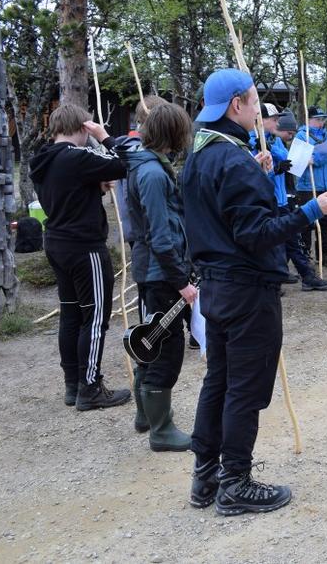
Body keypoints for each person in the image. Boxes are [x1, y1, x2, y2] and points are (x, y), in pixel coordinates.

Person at [180, 68, 327, 516]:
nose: (258, 110)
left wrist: (255, 172)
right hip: (247, 289)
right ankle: (234, 480)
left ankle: (206, 475)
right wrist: (311, 209)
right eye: (254, 102)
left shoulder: (202, 155)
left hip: (217, 285)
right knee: (244, 389)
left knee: (220, 381)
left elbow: (223, 214)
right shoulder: (230, 159)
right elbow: (256, 233)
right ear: (236, 105)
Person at [29, 103, 131, 410]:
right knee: (96, 316)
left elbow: (68, 196)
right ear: (82, 127)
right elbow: (123, 164)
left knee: (71, 314)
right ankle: (90, 387)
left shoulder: (42, 160)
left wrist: (96, 187)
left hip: (57, 242)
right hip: (84, 246)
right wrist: (104, 137)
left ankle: (73, 385)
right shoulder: (77, 156)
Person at [123, 101, 197, 452]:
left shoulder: (154, 165)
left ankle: (146, 415)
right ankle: (161, 429)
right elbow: (159, 233)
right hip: (159, 272)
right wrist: (180, 280)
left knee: (152, 338)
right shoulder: (151, 173)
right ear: (173, 133)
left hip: (157, 269)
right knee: (165, 346)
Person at [251, 105, 327, 291]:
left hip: (281, 199)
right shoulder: (252, 141)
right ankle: (274, 280)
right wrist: (275, 170)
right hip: (267, 200)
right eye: (274, 119)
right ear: (261, 120)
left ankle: (307, 276)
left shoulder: (275, 141)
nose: (277, 123)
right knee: (274, 243)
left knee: (292, 238)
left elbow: (289, 159)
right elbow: (254, 173)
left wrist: (288, 164)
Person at [294, 106, 327, 268]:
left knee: (326, 221)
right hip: (308, 186)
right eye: (317, 119)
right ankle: (305, 255)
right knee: (307, 222)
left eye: (323, 119)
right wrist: (325, 154)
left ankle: (324, 254)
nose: (321, 123)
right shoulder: (302, 136)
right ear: (308, 120)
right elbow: (306, 160)